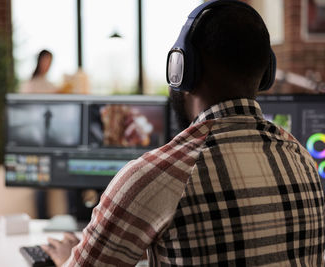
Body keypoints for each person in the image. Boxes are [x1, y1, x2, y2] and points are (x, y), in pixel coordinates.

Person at [42, 1, 325, 266]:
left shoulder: (157, 175)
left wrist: (66, 258)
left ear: (180, 69)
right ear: (265, 74)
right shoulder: (302, 158)